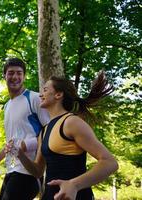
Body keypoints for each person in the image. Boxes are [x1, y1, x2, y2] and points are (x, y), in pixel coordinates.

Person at [16, 71, 119, 200]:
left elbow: (110, 163)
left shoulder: (71, 122)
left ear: (58, 94)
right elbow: (38, 171)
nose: (40, 94)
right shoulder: (44, 130)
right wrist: (20, 155)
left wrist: (74, 185)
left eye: (45, 90)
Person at [0, 57, 49, 200]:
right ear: (4, 76)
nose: (15, 77)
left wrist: (26, 145)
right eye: (10, 73)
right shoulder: (7, 106)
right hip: (11, 169)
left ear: (24, 76)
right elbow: (13, 142)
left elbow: (49, 131)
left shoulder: (34, 98)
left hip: (29, 172)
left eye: (19, 73)